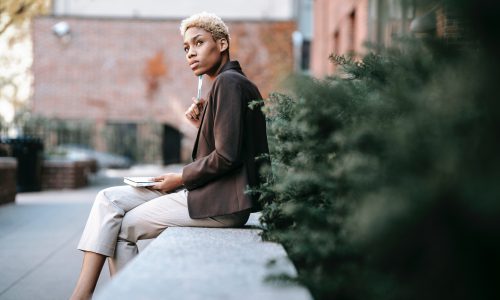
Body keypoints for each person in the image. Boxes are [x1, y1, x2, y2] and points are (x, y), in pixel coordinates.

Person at [70, 12, 269, 300]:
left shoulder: (228, 84)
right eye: (186, 48)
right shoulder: (232, 84)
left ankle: (89, 295)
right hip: (217, 195)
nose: (191, 53)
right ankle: (82, 293)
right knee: (107, 200)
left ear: (222, 43)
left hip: (220, 202)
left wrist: (179, 178)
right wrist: (202, 124)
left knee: (123, 229)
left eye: (198, 43)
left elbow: (227, 156)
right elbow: (233, 143)